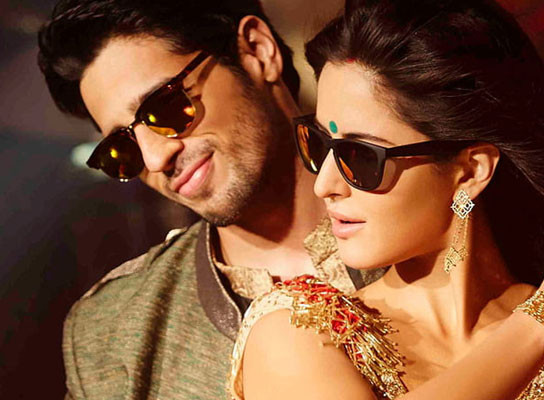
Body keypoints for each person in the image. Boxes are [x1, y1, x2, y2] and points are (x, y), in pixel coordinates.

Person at [228, 0, 544, 399]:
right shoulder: (296, 331)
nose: (325, 184)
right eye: (319, 145)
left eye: (360, 156)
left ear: (471, 171)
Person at [37, 1, 383, 398]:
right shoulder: (111, 335)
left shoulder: (430, 214)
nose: (156, 158)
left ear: (257, 51)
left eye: (164, 107)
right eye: (123, 148)